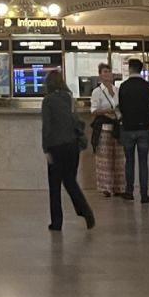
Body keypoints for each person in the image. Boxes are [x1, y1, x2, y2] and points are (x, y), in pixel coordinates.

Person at [40, 68, 94, 232]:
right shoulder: (69, 98)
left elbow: (47, 127)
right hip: (72, 145)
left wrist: (46, 147)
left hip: (56, 146)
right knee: (70, 181)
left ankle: (57, 222)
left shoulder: (48, 101)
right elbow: (75, 121)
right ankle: (85, 210)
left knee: (54, 185)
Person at [88, 64, 125, 198]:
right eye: (105, 71)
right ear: (100, 74)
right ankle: (106, 187)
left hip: (117, 128)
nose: (108, 74)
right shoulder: (97, 92)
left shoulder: (118, 90)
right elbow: (93, 110)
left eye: (109, 71)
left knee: (119, 158)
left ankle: (119, 186)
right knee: (105, 159)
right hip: (104, 128)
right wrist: (107, 111)